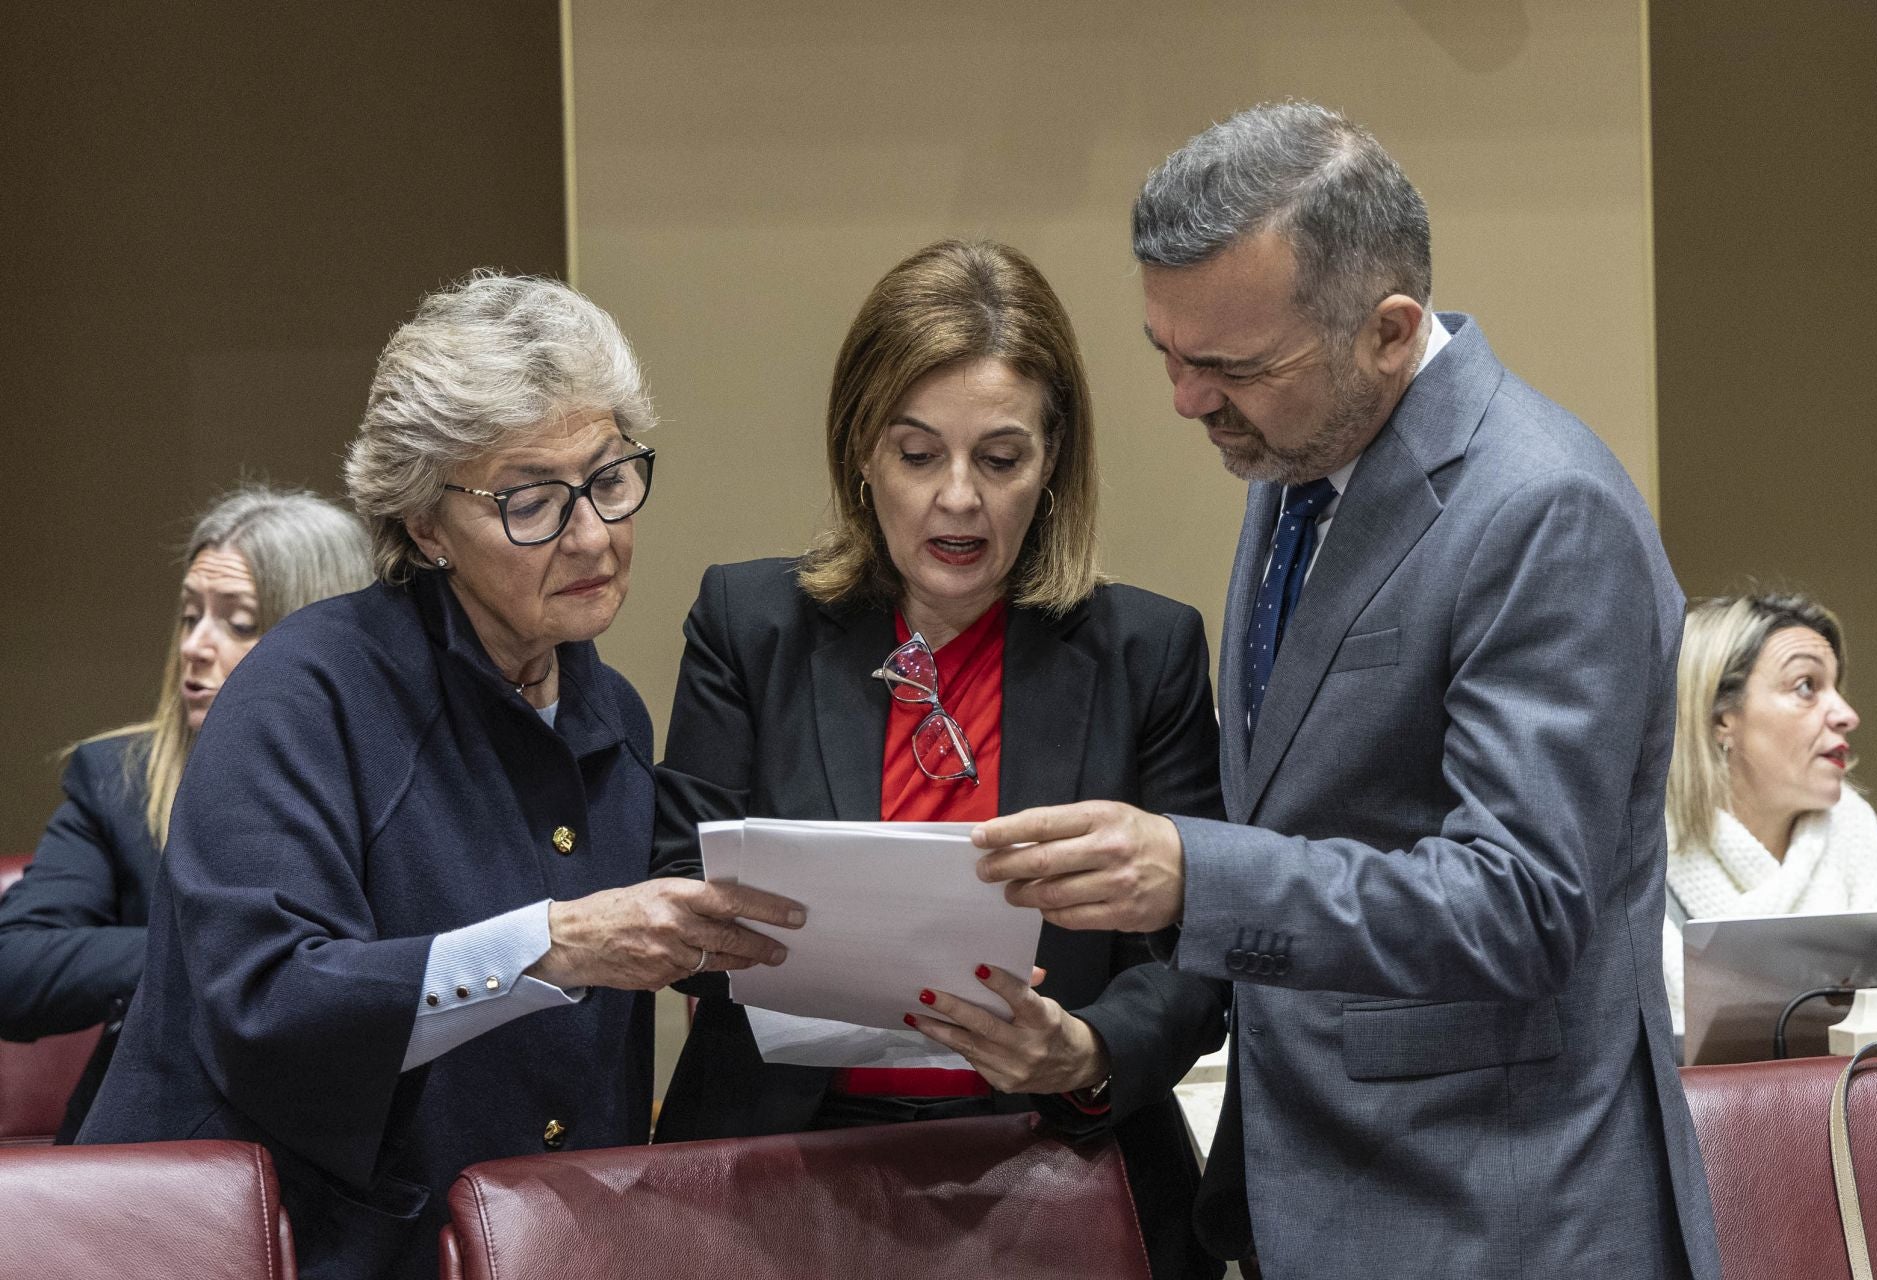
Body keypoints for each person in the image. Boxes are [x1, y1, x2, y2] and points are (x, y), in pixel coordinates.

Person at [971, 103, 1722, 1277]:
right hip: (1315, 1191)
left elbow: (1520, 903)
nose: (1184, 399)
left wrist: (1192, 871)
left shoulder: (1542, 509)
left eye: (1226, 365)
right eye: (1165, 352)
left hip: (1501, 1215)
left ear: (1388, 330)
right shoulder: (1300, 453)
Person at [79, 272, 804, 1280]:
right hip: (268, 1246)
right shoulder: (306, 687)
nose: (592, 532)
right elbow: (270, 1000)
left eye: (608, 479)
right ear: (425, 525)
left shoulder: (613, 712)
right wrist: (554, 943)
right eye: (533, 500)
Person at [652, 239, 1230, 1280]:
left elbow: (1194, 954)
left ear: (1053, 461)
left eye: (1000, 458)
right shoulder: (750, 624)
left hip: (1060, 1168)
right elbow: (672, 880)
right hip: (783, 1178)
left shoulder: (1149, 651)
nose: (958, 498)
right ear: (862, 452)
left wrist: (1086, 1051)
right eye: (918, 454)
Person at [0, 485, 371, 1139]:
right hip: (154, 1150)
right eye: (189, 615)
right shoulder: (119, 779)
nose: (196, 647)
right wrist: (213, 959)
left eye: (240, 622)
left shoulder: (385, 791)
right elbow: (14, 966)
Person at [1662, 593, 1877, 1028]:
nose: (1847, 714)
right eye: (1806, 687)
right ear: (1720, 719)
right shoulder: (1638, 865)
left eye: (1836, 687)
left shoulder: (1856, 835)